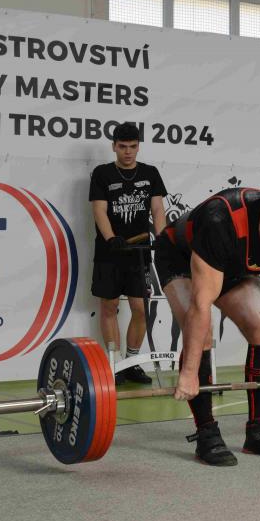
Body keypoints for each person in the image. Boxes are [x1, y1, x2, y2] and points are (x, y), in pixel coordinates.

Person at [154, 175, 260, 466]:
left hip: (231, 267)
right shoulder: (221, 219)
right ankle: (206, 433)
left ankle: (257, 431)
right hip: (181, 258)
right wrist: (189, 373)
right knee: (202, 334)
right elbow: (201, 304)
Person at [89, 122, 167, 385]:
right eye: (122, 146)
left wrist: (163, 238)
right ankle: (115, 365)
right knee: (109, 306)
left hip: (138, 253)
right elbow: (99, 210)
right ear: (114, 146)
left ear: (138, 147)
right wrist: (111, 238)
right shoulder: (102, 174)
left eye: (133, 146)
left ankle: (131, 363)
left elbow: (158, 210)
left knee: (141, 309)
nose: (128, 152)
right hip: (110, 252)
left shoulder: (150, 173)